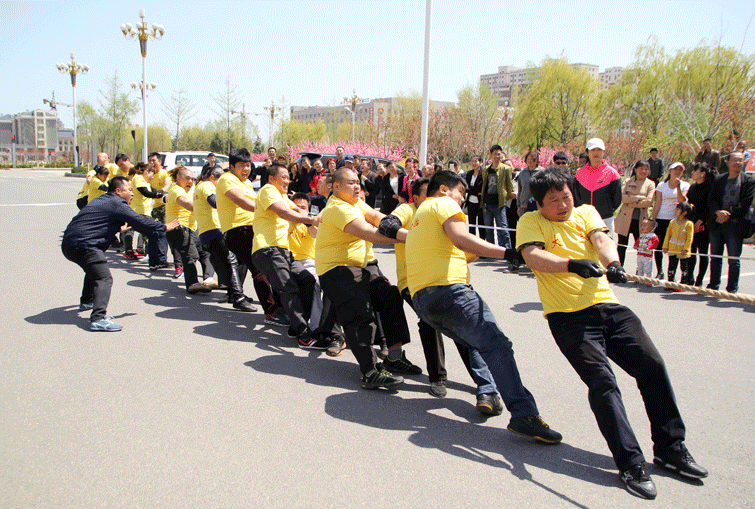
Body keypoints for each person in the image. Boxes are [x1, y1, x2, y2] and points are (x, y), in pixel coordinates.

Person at [517, 167, 708, 500]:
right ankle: (630, 463)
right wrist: (571, 264)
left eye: (566, 196)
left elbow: (601, 239)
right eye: (554, 200)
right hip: (568, 318)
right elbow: (532, 256)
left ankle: (670, 448)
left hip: (609, 307)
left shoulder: (586, 212)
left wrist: (613, 263)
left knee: (652, 366)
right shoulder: (530, 222)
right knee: (603, 383)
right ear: (539, 204)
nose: (563, 205)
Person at [405, 170, 560, 438]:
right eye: (461, 192)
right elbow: (461, 239)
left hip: (424, 301)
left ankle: (488, 392)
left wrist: (477, 250)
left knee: (477, 341)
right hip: (451, 292)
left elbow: (460, 251)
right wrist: (509, 253)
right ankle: (523, 413)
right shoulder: (445, 204)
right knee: (497, 345)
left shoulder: (422, 214)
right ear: (443, 189)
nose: (462, 199)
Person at [315, 167, 421, 389]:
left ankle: (393, 357)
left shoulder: (355, 203)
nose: (357, 186)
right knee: (360, 314)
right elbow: (371, 233)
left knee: (390, 295)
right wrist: (413, 237)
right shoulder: (337, 208)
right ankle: (369, 371)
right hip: (337, 269)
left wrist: (391, 223)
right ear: (336, 187)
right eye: (351, 182)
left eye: (358, 182)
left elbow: (374, 217)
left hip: (361, 267)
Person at [62, 176, 180, 331]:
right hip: (85, 245)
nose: (132, 193)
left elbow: (94, 222)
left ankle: (87, 301)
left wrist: (117, 228)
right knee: (104, 278)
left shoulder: (103, 200)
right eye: (129, 189)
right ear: (118, 191)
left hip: (70, 243)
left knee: (94, 271)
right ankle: (98, 319)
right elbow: (138, 219)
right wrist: (164, 227)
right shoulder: (117, 203)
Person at [251, 163, 324, 347]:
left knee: (307, 279)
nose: (287, 180)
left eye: (288, 177)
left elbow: (298, 210)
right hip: (268, 249)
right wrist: (310, 219)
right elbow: (284, 212)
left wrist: (320, 216)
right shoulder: (268, 191)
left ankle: (295, 326)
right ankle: (304, 336)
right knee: (288, 289)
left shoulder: (282, 195)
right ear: (271, 178)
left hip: (284, 251)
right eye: (283, 177)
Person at [216, 148, 286, 325]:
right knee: (259, 269)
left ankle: (280, 307)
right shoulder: (227, 179)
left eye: (248, 165)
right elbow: (240, 200)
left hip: (253, 228)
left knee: (269, 268)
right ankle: (271, 312)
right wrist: (268, 208)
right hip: (239, 230)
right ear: (232, 166)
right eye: (241, 165)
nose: (246, 169)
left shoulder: (246, 182)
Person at [194, 165, 256, 312]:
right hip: (214, 229)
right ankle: (237, 297)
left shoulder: (200, 187)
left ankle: (233, 293)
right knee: (231, 262)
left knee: (238, 261)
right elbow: (214, 202)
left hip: (207, 231)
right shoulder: (208, 186)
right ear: (212, 178)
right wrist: (231, 197)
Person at [288, 192, 345, 355]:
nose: (299, 210)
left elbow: (315, 232)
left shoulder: (311, 222)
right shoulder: (286, 221)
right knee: (311, 282)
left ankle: (324, 326)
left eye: (303, 207)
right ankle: (315, 327)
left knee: (322, 283)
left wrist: (305, 219)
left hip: (312, 261)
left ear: (308, 209)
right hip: (293, 260)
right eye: (296, 207)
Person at [706, 151, 755, 293]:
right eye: (735, 160)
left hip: (735, 225)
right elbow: (711, 199)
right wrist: (718, 212)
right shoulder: (719, 179)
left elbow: (746, 203)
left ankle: (732, 289)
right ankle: (713, 286)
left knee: (733, 259)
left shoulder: (749, 180)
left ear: (744, 162)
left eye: (740, 160)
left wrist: (728, 214)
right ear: (727, 162)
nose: (737, 163)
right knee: (715, 257)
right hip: (717, 223)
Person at [165, 165, 214, 294]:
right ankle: (192, 284)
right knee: (190, 255)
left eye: (192, 179)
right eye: (187, 178)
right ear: (178, 178)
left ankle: (208, 279)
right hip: (178, 227)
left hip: (192, 227)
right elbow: (188, 204)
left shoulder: (192, 189)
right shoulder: (176, 190)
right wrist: (210, 207)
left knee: (206, 252)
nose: (190, 181)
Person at [573, 138, 622, 239]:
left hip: (605, 219)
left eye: (599, 150)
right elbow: (576, 196)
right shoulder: (580, 173)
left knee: (606, 246)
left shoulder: (612, 173)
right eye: (593, 150)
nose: (596, 153)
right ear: (587, 152)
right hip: (584, 219)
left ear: (604, 152)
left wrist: (607, 210)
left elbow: (617, 198)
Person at [651, 162, 689, 278]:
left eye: (680, 170)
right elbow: (658, 202)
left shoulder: (685, 185)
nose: (677, 171)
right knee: (659, 246)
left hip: (676, 220)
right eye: (675, 169)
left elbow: (683, 201)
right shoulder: (661, 185)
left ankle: (672, 274)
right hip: (662, 217)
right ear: (670, 171)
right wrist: (654, 218)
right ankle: (660, 271)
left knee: (673, 247)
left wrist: (678, 187)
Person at [615, 160, 655, 265]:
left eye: (646, 169)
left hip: (641, 219)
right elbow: (622, 198)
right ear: (636, 169)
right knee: (622, 245)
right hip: (625, 218)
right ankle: (619, 267)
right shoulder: (628, 181)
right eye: (641, 168)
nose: (643, 171)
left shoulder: (650, 184)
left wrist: (630, 201)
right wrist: (639, 197)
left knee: (642, 245)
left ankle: (640, 270)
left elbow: (648, 202)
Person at [481, 144, 516, 249]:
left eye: (499, 154)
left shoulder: (506, 169)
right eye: (495, 154)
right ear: (490, 154)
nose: (497, 156)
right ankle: (491, 251)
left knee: (503, 229)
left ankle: (506, 251)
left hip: (499, 204)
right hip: (487, 204)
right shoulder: (486, 169)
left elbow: (509, 186)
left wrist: (506, 196)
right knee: (488, 230)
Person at [687, 163, 715, 286]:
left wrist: (700, 221)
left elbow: (709, 207)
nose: (693, 173)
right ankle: (690, 277)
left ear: (702, 173)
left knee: (702, 252)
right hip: (691, 222)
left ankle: (700, 279)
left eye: (695, 170)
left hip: (704, 223)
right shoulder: (692, 187)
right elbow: (689, 203)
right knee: (690, 251)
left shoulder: (710, 187)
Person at [662, 202, 694, 289]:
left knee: (684, 268)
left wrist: (686, 249)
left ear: (684, 213)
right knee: (671, 266)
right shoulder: (672, 222)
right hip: (673, 248)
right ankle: (670, 283)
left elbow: (689, 238)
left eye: (678, 209)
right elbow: (668, 235)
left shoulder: (689, 224)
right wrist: (665, 246)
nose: (675, 211)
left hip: (682, 250)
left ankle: (682, 285)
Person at [464, 155, 484, 236]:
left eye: (476, 161)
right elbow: (467, 188)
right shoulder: (469, 173)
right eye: (472, 161)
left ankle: (481, 240)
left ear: (480, 162)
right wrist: (475, 191)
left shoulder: (483, 174)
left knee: (481, 224)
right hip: (470, 202)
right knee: (471, 224)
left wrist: (473, 190)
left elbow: (481, 190)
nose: (473, 163)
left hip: (480, 202)